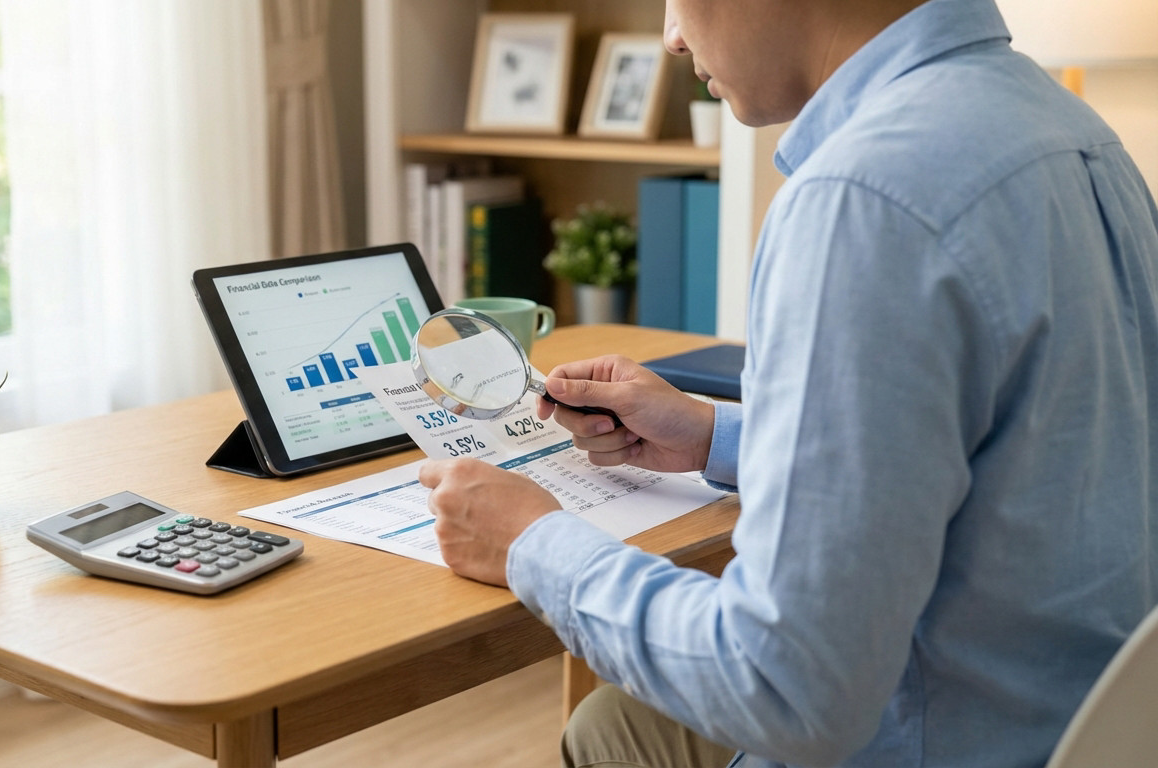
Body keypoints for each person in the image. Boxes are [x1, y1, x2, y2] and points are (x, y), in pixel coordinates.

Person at [418, 0, 1158, 765]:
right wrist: (715, 436)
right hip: (1074, 721)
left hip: (930, 733)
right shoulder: (1072, 131)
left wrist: (530, 544)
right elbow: (1010, 450)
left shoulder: (861, 199)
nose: (671, 36)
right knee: (612, 725)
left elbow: (783, 691)